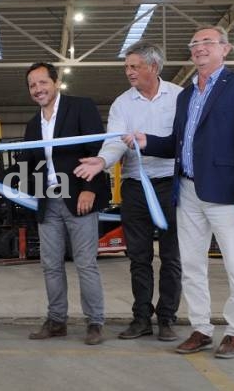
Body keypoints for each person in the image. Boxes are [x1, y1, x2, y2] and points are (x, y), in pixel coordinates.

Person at [127, 25, 234, 359]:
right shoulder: (186, 95)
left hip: (227, 194)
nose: (199, 48)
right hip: (187, 191)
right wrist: (148, 143)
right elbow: (178, 144)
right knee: (190, 265)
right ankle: (201, 328)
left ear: (225, 48)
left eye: (207, 42)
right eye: (194, 44)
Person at [74, 41, 182, 341]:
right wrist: (102, 160)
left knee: (172, 256)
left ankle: (167, 318)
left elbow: (182, 140)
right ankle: (141, 319)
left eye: (135, 66)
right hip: (135, 185)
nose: (129, 72)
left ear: (154, 67)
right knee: (139, 256)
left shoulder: (178, 97)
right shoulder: (122, 103)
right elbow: (115, 142)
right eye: (126, 67)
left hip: (170, 184)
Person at [18, 62, 110, 345]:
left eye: (43, 83)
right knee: (50, 265)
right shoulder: (33, 124)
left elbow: (97, 151)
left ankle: (95, 322)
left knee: (85, 263)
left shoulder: (80, 107)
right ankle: (57, 320)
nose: (38, 89)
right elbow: (26, 164)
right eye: (32, 85)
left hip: (79, 197)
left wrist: (89, 190)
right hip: (48, 202)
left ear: (56, 82)